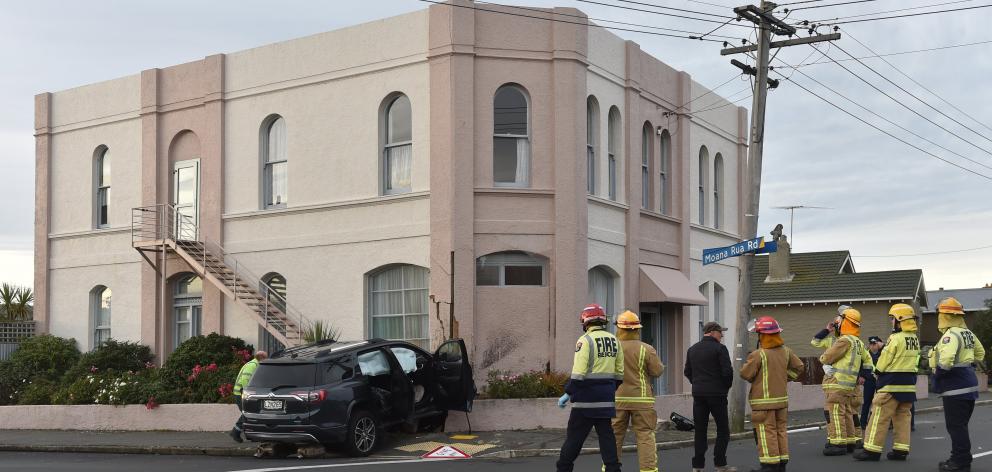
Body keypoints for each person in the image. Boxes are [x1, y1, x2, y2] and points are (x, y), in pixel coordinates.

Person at [557, 304, 625, 472]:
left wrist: (567, 393)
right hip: (606, 401)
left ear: (585, 321)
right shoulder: (615, 341)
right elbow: (619, 374)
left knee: (574, 441)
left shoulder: (585, 341)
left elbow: (578, 375)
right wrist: (607, 390)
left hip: (585, 404)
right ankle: (613, 469)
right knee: (607, 440)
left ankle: (563, 469)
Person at [854, 304, 921, 462]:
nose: (891, 322)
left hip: (890, 384)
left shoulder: (895, 338)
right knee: (903, 417)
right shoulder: (915, 339)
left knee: (879, 416)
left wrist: (876, 372)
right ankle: (901, 450)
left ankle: (871, 450)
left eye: (892, 319)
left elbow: (885, 359)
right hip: (909, 385)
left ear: (900, 320)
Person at [740, 316, 804, 472]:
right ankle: (781, 463)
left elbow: (745, 374)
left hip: (763, 402)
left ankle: (770, 465)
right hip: (781, 401)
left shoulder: (758, 354)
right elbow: (799, 367)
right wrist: (785, 378)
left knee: (766, 432)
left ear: (763, 335)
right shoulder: (787, 351)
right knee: (780, 431)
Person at [930, 297, 986, 472]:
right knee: (960, 426)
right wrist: (967, 361)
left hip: (955, 387)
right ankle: (960, 459)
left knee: (955, 427)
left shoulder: (950, 335)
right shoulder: (968, 333)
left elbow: (945, 362)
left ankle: (960, 463)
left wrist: (937, 376)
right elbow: (981, 353)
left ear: (944, 315)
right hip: (969, 384)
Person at [815, 307, 873, 456]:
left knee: (835, 413)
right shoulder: (858, 342)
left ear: (846, 322)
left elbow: (826, 357)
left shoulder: (844, 340)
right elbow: (868, 362)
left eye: (840, 320)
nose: (837, 323)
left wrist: (824, 362)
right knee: (846, 413)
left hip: (837, 383)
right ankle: (850, 441)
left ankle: (838, 444)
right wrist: (864, 376)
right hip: (849, 385)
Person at [611, 311, 664, 472]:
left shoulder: (612, 348)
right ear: (637, 329)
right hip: (642, 400)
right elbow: (657, 371)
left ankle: (610, 468)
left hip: (617, 399)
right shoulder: (646, 349)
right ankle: (648, 470)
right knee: (645, 436)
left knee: (614, 437)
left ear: (618, 328)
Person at [685, 322, 737, 472]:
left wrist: (697, 383)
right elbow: (727, 372)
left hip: (699, 394)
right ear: (713, 332)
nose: (722, 336)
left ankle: (697, 466)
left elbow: (687, 371)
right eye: (721, 333)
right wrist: (724, 387)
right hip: (717, 394)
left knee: (700, 430)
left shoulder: (692, 349)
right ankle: (720, 464)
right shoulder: (720, 349)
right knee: (722, 430)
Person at [230, 350, 268, 442]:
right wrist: (248, 393)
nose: (267, 359)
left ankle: (238, 432)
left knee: (249, 414)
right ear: (261, 357)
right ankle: (236, 432)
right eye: (266, 358)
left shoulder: (255, 365)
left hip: (243, 394)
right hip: (241, 394)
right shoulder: (252, 365)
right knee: (248, 414)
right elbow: (245, 380)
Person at [859, 336, 884, 433]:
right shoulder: (866, 354)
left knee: (880, 403)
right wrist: (861, 376)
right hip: (869, 380)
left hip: (880, 381)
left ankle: (877, 422)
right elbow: (860, 365)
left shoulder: (883, 353)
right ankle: (863, 422)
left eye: (874, 344)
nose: (873, 346)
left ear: (878, 344)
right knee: (867, 402)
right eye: (871, 344)